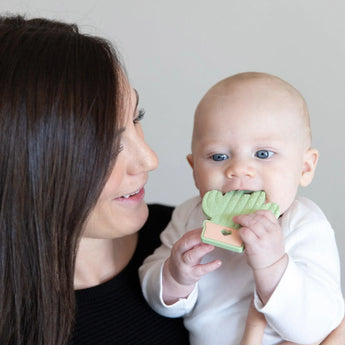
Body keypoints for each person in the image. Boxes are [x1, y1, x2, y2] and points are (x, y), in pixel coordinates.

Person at [0, 15, 189, 345]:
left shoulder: (190, 236)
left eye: (136, 118)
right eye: (107, 143)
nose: (149, 159)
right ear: (29, 166)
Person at [139, 72, 345, 344]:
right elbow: (153, 290)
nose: (238, 169)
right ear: (194, 170)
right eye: (218, 156)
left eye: (263, 154)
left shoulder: (305, 225)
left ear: (305, 168)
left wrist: (273, 265)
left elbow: (321, 325)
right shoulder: (189, 217)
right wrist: (176, 277)